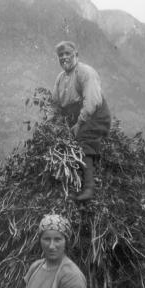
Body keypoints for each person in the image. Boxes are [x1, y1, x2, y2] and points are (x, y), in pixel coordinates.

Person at [51, 41, 111, 200]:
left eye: (67, 54)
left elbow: (91, 102)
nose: (64, 57)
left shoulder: (85, 72)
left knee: (83, 139)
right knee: (60, 144)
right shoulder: (60, 78)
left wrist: (79, 124)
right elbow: (56, 104)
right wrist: (56, 124)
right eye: (60, 55)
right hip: (75, 117)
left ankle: (89, 189)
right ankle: (69, 187)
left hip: (95, 115)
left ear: (76, 55)